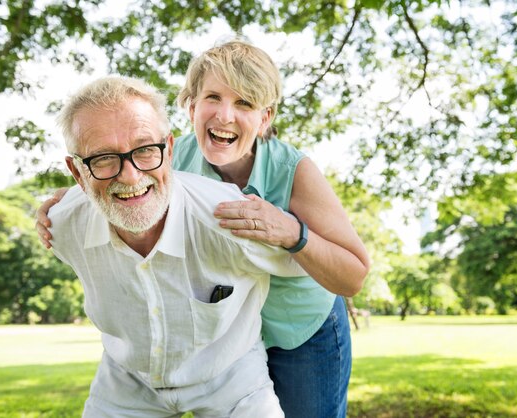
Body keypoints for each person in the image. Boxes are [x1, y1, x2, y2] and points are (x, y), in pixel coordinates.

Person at [37, 39, 370, 418]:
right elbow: (129, 175)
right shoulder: (175, 157)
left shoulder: (293, 170)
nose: (225, 116)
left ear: (265, 118)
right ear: (191, 105)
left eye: (244, 103)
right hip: (231, 327)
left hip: (299, 325)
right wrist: (80, 194)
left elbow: (353, 275)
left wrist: (293, 233)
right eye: (214, 97)